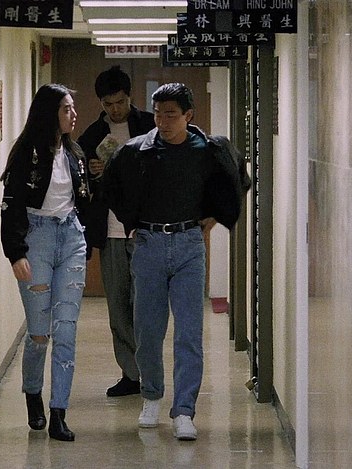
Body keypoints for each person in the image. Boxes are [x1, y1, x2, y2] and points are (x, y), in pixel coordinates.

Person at [102, 83, 249, 441]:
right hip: (149, 244)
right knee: (148, 330)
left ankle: (184, 410)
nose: (163, 122)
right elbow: (110, 187)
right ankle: (151, 395)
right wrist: (132, 222)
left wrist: (214, 214)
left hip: (188, 245)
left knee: (189, 333)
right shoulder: (137, 150)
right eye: (158, 114)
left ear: (188, 116)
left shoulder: (208, 149)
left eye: (170, 115)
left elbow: (238, 178)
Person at [0, 83, 91, 441]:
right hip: (35, 238)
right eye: (67, 109)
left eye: (72, 108)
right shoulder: (26, 153)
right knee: (40, 334)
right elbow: (10, 205)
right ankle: (33, 394)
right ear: (49, 113)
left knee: (66, 330)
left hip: (71, 238)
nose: (73, 114)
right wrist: (15, 253)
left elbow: (84, 200)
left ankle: (59, 412)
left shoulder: (75, 153)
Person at [77, 65, 155, 397]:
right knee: (118, 307)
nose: (115, 109)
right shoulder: (91, 136)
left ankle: (149, 371)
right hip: (110, 230)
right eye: (108, 104)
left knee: (144, 304)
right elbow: (80, 187)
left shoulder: (150, 126)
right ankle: (131, 374)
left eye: (120, 102)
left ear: (129, 97)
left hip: (145, 230)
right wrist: (93, 172)